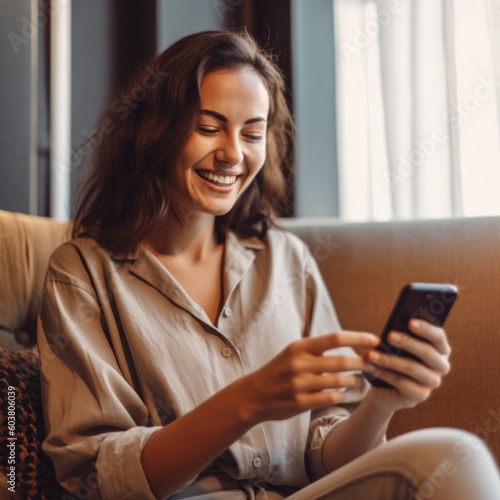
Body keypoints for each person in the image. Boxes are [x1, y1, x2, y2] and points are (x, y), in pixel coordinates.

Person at [37, 29, 500, 500]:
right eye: (209, 127)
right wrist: (249, 400)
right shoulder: (81, 272)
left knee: (455, 456)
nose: (234, 154)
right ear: (154, 130)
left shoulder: (286, 258)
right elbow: (96, 476)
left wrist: (381, 404)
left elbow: (326, 455)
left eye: (251, 133)